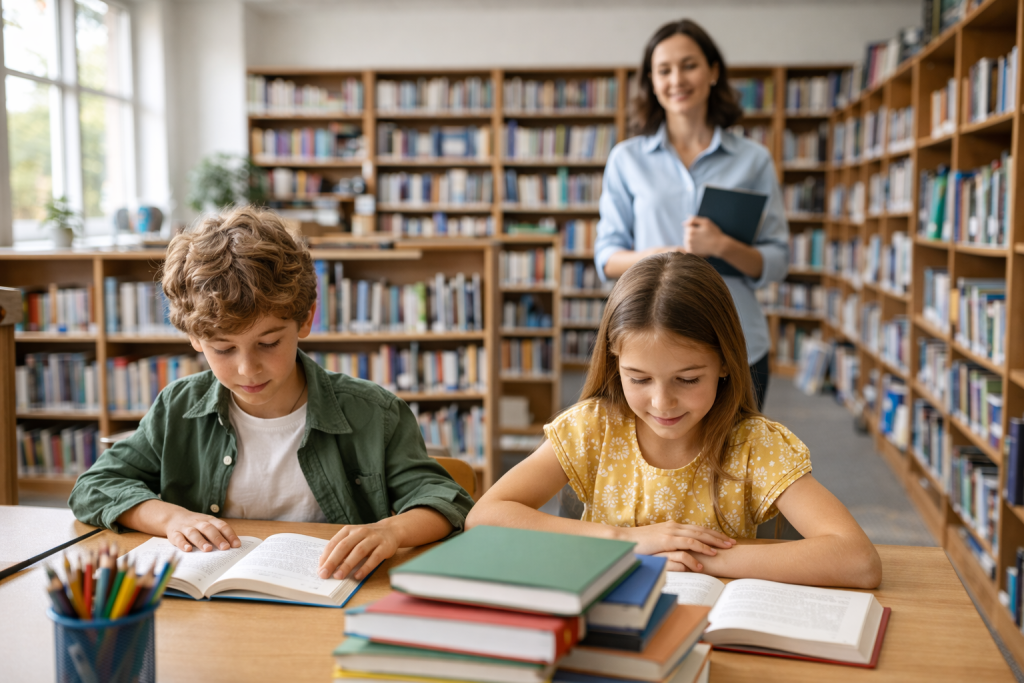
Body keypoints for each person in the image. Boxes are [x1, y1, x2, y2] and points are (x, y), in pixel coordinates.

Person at [69, 207, 473, 583]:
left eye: (268, 343)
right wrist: (170, 518)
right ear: (194, 337)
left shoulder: (374, 412)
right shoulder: (178, 407)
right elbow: (95, 486)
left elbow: (445, 500)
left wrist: (390, 531)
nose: (248, 369)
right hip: (213, 606)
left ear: (305, 319)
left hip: (330, 593)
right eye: (223, 349)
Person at [466, 253, 881, 588]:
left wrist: (695, 558)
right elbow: (484, 517)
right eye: (639, 379)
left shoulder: (755, 444)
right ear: (614, 363)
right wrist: (627, 540)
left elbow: (858, 560)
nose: (662, 402)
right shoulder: (592, 428)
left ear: (724, 363)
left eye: (688, 379)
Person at [594, 18, 788, 410]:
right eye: (664, 70)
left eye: (689, 65)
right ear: (651, 81)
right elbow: (607, 258)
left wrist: (722, 245)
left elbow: (777, 261)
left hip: (737, 344)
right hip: (649, 346)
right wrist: (658, 258)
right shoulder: (626, 159)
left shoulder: (754, 160)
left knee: (736, 450)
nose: (677, 79)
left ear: (713, 71)